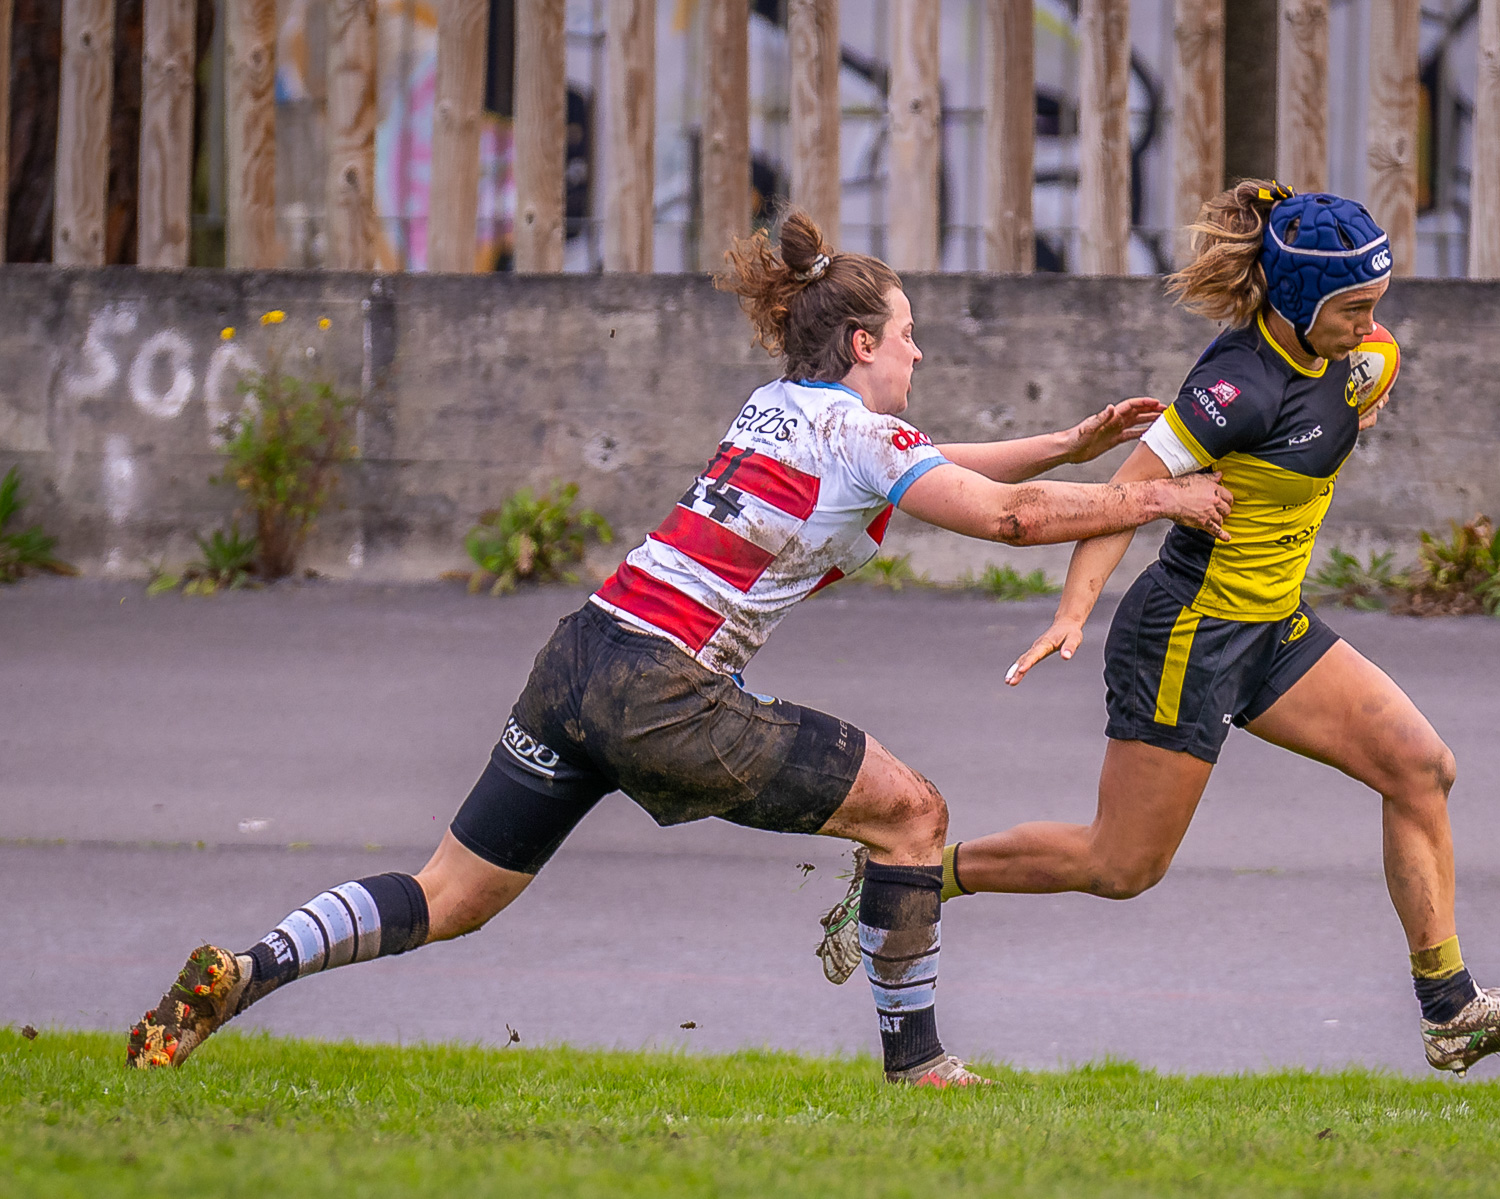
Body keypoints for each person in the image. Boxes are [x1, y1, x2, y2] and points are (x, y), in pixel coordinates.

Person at [126, 210, 1235, 1088]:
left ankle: (248, 969)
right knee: (913, 812)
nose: (919, 351)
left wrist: (1071, 442)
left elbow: (936, 460)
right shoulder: (860, 431)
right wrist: (1161, 495)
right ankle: (923, 1066)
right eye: (906, 335)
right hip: (662, 690)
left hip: (579, 658)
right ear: (862, 344)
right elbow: (1007, 518)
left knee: (451, 891)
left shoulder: (781, 407)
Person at [817, 183, 1500, 1077]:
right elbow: (1118, 500)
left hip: (1274, 627)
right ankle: (910, 876)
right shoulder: (1233, 389)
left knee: (1420, 765)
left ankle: (1451, 1010)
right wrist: (1073, 611)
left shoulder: (1363, 356)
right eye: (1355, 307)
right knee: (1122, 863)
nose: (1374, 325)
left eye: (1378, 304)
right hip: (1189, 633)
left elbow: (1343, 403)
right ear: (1298, 300)